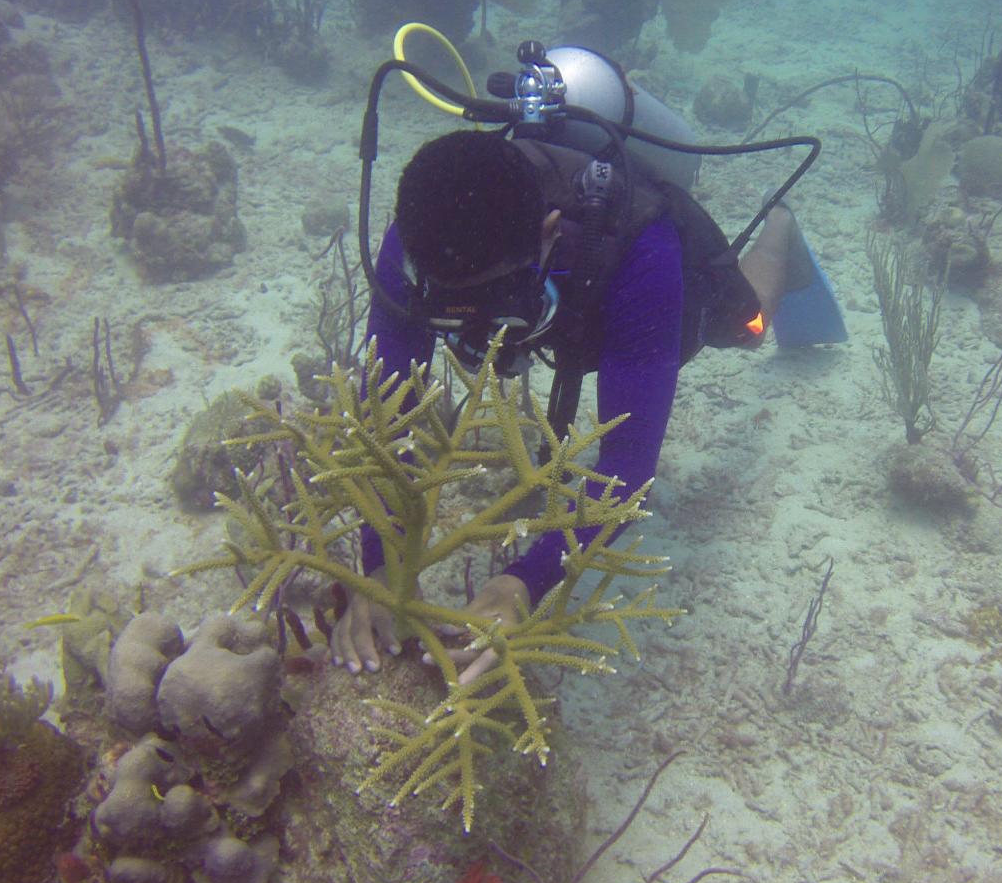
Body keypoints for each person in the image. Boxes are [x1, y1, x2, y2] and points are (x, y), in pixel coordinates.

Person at [331, 127, 845, 676]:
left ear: (548, 232)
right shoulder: (416, 243)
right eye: (448, 304)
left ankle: (780, 228)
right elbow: (386, 417)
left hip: (611, 287)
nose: (476, 326)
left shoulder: (641, 246)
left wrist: (524, 582)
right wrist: (380, 568)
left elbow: (629, 465)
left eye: (492, 299)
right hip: (555, 285)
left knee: (750, 327)